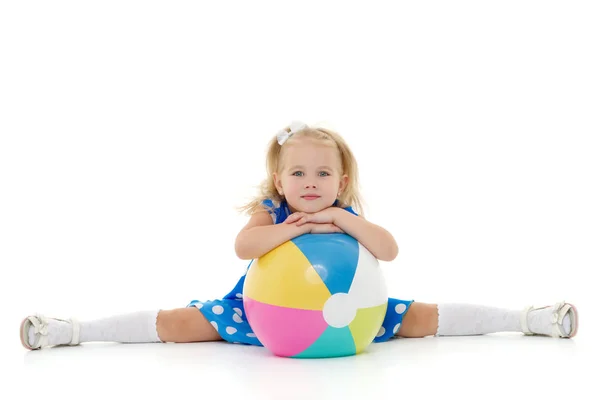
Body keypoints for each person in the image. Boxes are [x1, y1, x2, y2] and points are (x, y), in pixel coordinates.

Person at [20, 121, 578, 351]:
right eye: (298, 174)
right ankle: (72, 331)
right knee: (179, 323)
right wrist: (285, 231)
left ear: (342, 180)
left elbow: (388, 250)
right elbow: (243, 249)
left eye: (322, 174)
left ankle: (527, 319)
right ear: (279, 180)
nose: (310, 184)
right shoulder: (271, 212)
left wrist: (342, 220)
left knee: (423, 317)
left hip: (355, 309)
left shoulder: (343, 212)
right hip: (260, 310)